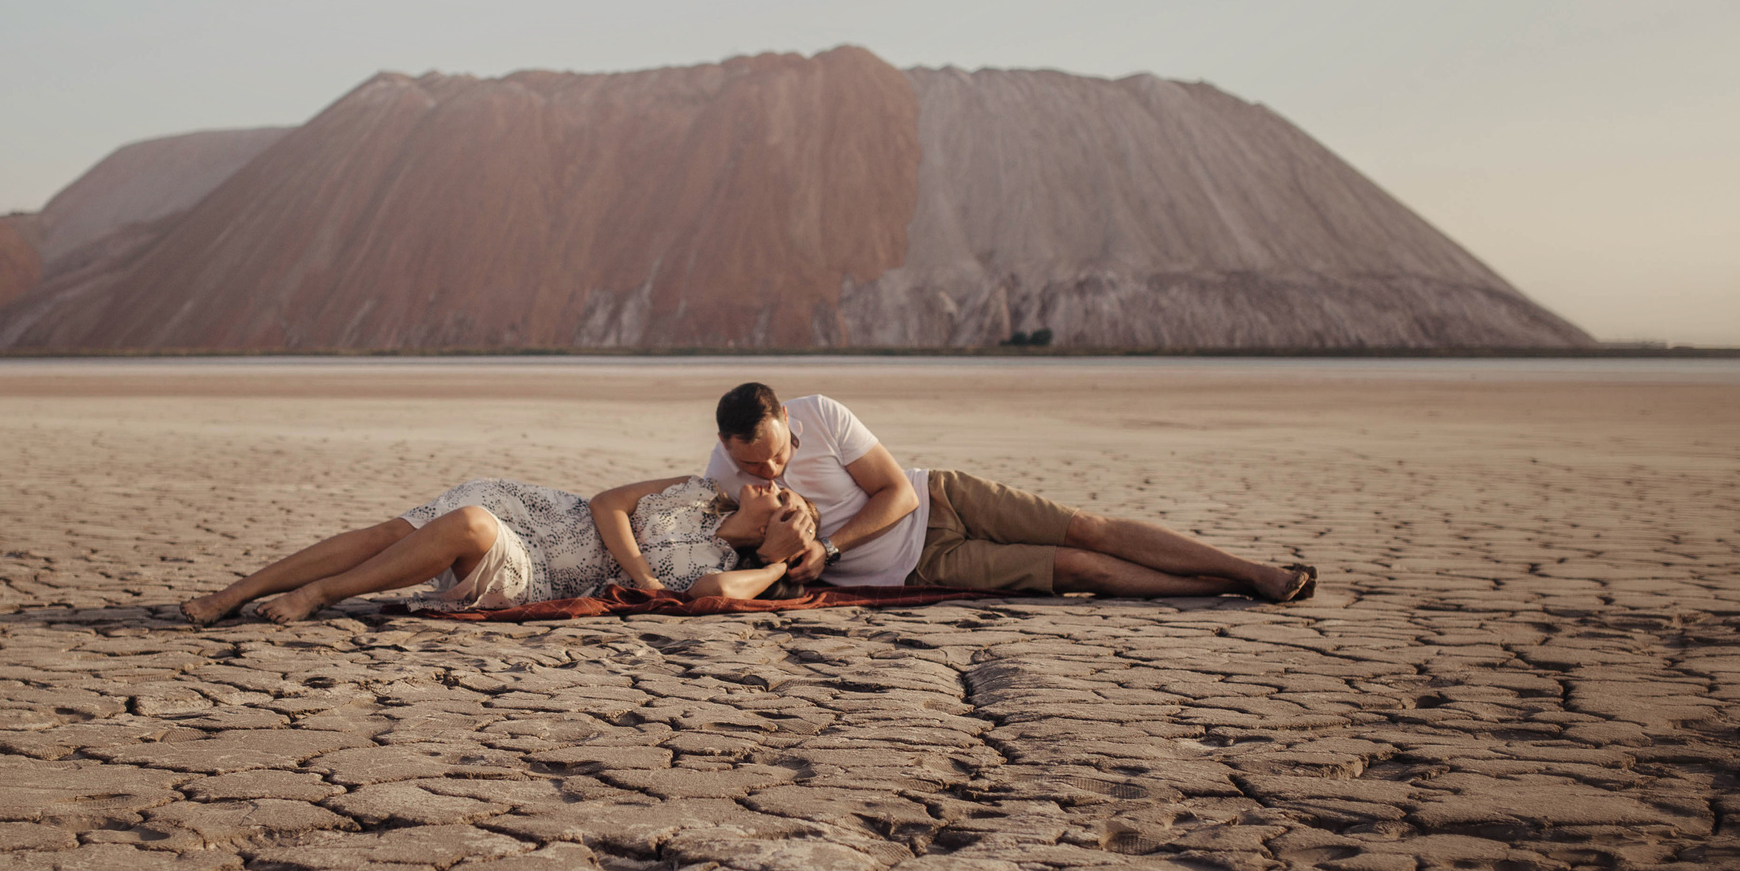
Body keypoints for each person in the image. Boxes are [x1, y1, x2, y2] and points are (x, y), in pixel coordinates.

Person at [703, 383, 1317, 603]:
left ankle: (1252, 570)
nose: (774, 468)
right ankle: (1228, 586)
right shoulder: (725, 476)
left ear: (786, 416)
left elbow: (897, 494)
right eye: (755, 463)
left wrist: (830, 549)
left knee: (1086, 528)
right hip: (918, 566)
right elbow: (742, 556)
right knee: (1078, 569)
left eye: (781, 452)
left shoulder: (824, 414)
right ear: (727, 448)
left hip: (942, 498)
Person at [178, 474, 816, 626]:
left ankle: (316, 593)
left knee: (470, 527)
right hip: (537, 510)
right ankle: (232, 594)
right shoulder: (699, 492)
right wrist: (643, 572)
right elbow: (605, 504)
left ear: (774, 533)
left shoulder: (728, 567)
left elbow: (709, 597)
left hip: (536, 570)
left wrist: (780, 566)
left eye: (785, 502)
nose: (773, 485)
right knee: (387, 534)